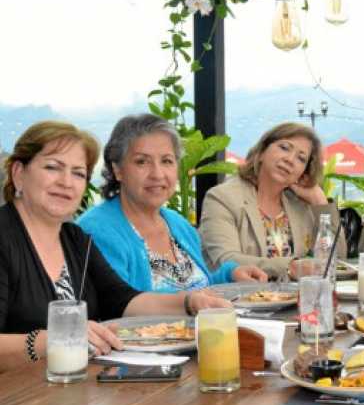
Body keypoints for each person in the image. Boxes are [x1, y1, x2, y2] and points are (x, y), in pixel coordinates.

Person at [0, 121, 229, 371]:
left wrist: (189, 302)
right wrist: (51, 340)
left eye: (78, 173)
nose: (67, 182)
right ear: (18, 173)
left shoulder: (74, 238)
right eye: (53, 168)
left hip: (70, 392)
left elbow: (122, 299)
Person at [77, 114, 267, 292]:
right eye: (142, 162)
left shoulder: (177, 224)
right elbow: (118, 303)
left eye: (167, 161)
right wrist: (190, 302)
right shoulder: (96, 230)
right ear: (117, 170)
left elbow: (197, 289)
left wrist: (229, 275)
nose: (157, 174)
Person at [199, 122, 345, 279]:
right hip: (239, 299)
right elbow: (225, 260)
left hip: (296, 299)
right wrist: (290, 266)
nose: (290, 159)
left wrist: (320, 203)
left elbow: (337, 258)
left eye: (301, 159)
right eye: (284, 148)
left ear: (304, 172)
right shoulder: (222, 198)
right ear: (261, 152)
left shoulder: (300, 205)